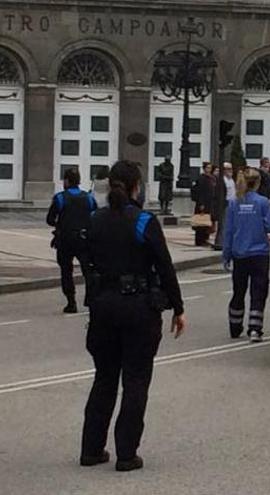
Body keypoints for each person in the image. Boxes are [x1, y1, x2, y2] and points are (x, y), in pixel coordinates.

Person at [79, 160, 186, 472]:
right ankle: (127, 453)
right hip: (138, 308)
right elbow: (165, 267)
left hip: (103, 307)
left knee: (104, 378)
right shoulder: (143, 221)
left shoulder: (95, 219)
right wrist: (178, 308)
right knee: (136, 380)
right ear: (136, 186)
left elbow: (87, 261)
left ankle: (91, 449)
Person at [223, 167, 270, 342]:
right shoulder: (263, 203)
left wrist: (226, 254)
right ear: (258, 184)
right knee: (258, 291)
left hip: (240, 253)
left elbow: (228, 231)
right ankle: (255, 328)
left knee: (238, 291)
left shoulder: (234, 203)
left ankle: (234, 325)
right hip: (259, 253)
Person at [47, 168, 97, 313]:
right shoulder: (88, 197)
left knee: (66, 271)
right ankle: (90, 300)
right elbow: (95, 215)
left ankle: (71, 302)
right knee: (88, 271)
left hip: (65, 240)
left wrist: (60, 225)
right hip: (84, 239)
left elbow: (50, 219)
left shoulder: (60, 198)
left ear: (67, 181)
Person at [213, 162, 236, 251]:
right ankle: (222, 241)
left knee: (230, 224)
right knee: (224, 224)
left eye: (231, 169)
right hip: (225, 204)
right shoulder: (222, 180)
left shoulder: (231, 180)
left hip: (232, 204)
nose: (230, 171)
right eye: (228, 169)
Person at [193, 162, 215, 247]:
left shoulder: (211, 178)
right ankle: (199, 240)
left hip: (209, 203)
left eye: (210, 168)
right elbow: (200, 192)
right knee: (200, 223)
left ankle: (205, 239)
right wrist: (201, 203)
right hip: (202, 204)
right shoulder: (202, 178)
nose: (209, 169)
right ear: (204, 168)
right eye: (208, 168)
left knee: (207, 223)